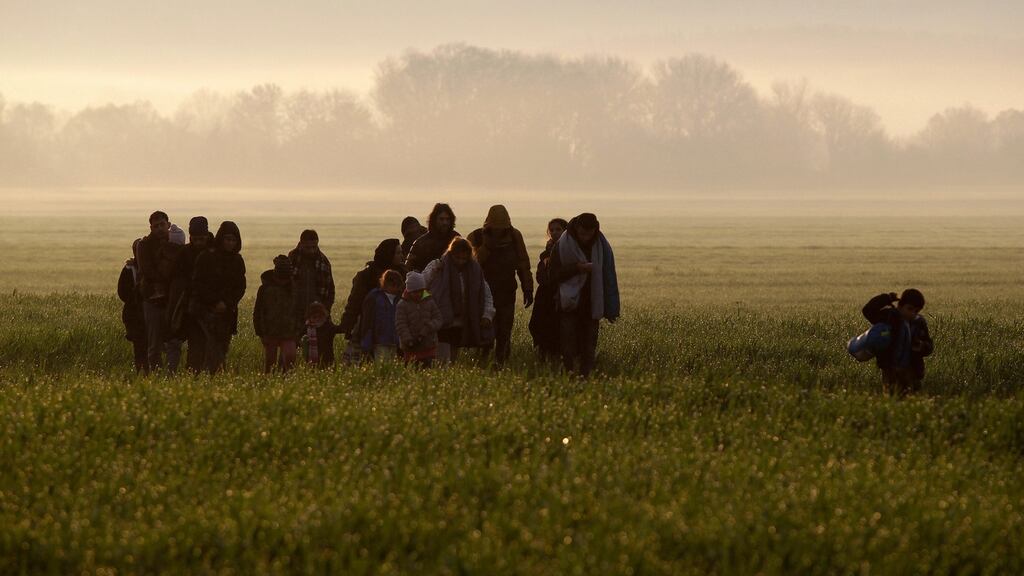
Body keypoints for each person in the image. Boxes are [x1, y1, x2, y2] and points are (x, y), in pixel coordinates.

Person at [548, 213, 620, 378]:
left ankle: (585, 377)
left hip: (592, 304)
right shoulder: (562, 245)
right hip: (569, 304)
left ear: (595, 231)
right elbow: (553, 275)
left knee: (589, 346)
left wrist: (611, 308)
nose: (586, 238)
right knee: (567, 346)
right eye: (582, 234)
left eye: (589, 234)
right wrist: (577, 268)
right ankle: (569, 376)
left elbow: (609, 278)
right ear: (576, 230)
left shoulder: (602, 246)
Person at [467, 205, 535, 366]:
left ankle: (502, 361)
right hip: (483, 294)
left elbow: (523, 264)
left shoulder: (514, 236)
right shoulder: (476, 237)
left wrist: (528, 288)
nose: (499, 231)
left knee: (505, 331)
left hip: (507, 292)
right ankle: (482, 362)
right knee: (484, 329)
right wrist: (487, 247)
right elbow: (471, 265)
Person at [422, 237, 496, 363]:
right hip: (440, 320)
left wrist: (487, 315)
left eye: (464, 258)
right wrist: (427, 304)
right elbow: (422, 286)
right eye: (457, 258)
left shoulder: (475, 271)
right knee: (442, 355)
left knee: (454, 353)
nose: (461, 261)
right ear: (451, 254)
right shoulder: (437, 266)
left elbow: (486, 294)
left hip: (461, 321)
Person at [191, 221, 246, 374]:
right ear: (221, 239)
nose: (230, 243)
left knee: (221, 348)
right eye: (227, 239)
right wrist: (215, 302)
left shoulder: (237, 260)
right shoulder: (207, 257)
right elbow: (198, 284)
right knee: (204, 349)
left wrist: (227, 303)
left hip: (226, 313)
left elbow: (240, 287)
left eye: (233, 240)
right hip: (204, 312)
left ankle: (214, 379)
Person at [338, 238, 405, 363]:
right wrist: (347, 325)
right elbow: (355, 303)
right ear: (389, 254)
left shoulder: (403, 273)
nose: (402, 256)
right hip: (370, 327)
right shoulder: (367, 276)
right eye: (398, 253)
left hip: (396, 330)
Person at [862, 289, 934, 396]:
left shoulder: (919, 323)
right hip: (890, 369)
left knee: (913, 399)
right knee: (892, 398)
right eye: (909, 309)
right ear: (900, 305)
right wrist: (887, 298)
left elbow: (929, 345)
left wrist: (922, 347)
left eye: (916, 311)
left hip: (912, 370)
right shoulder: (889, 316)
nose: (912, 313)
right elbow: (868, 310)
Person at [137, 211, 184, 373]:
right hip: (153, 299)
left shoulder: (176, 243)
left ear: (168, 224)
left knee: (174, 341)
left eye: (162, 225)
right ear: (151, 227)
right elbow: (147, 270)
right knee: (154, 343)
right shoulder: (144, 245)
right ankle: (157, 375)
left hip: (171, 299)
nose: (159, 229)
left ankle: (171, 375)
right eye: (155, 226)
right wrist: (166, 279)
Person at [168, 216, 213, 374]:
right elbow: (176, 281)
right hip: (192, 309)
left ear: (207, 236)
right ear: (190, 236)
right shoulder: (185, 253)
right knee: (196, 348)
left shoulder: (215, 253)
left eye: (202, 239)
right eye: (195, 239)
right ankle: (194, 378)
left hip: (213, 308)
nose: (199, 242)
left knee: (214, 351)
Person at [529, 218, 568, 360]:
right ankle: (543, 356)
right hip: (545, 295)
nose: (554, 232)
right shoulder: (547, 251)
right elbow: (540, 276)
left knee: (556, 327)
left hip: (560, 293)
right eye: (551, 230)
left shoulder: (568, 250)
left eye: (558, 229)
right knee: (538, 324)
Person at [254, 255, 299, 374]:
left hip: (289, 332)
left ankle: (286, 382)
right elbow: (258, 311)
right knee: (270, 363)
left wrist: (298, 330)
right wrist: (260, 331)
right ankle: (270, 383)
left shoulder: (295, 288)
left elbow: (300, 310)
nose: (284, 281)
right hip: (270, 332)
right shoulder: (265, 289)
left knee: (290, 360)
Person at [396, 271, 444, 368]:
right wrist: (408, 339)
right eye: (415, 292)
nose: (418, 294)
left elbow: (438, 319)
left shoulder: (430, 301)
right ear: (409, 291)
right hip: (410, 347)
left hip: (428, 345)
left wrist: (428, 327)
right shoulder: (402, 305)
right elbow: (401, 325)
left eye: (420, 291)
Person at [289, 229, 335, 326]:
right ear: (301, 243)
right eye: (307, 247)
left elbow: (330, 290)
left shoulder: (324, 262)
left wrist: (325, 310)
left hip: (317, 315)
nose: (311, 251)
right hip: (294, 314)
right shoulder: (292, 259)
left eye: (314, 247)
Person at [358, 270, 404, 363]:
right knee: (382, 366)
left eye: (398, 285)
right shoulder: (374, 297)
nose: (396, 288)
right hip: (379, 342)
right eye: (394, 285)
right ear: (386, 284)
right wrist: (366, 342)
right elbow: (368, 321)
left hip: (396, 342)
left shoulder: (400, 299)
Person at [117, 239, 148, 373]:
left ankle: (146, 372)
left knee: (144, 347)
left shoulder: (147, 266)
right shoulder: (129, 269)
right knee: (140, 346)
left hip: (138, 313)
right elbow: (123, 292)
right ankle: (143, 372)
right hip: (135, 314)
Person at [405, 203, 460, 272]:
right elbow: (408, 268)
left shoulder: (456, 240)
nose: (445, 223)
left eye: (447, 219)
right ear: (434, 220)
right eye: (441, 219)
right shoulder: (420, 243)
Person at [302, 302, 341, 368]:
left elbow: (341, 329)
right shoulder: (307, 328)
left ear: (325, 316)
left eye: (320, 317)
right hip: (310, 363)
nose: (317, 319)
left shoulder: (329, 327)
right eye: (314, 317)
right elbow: (298, 338)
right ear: (309, 318)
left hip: (328, 361)